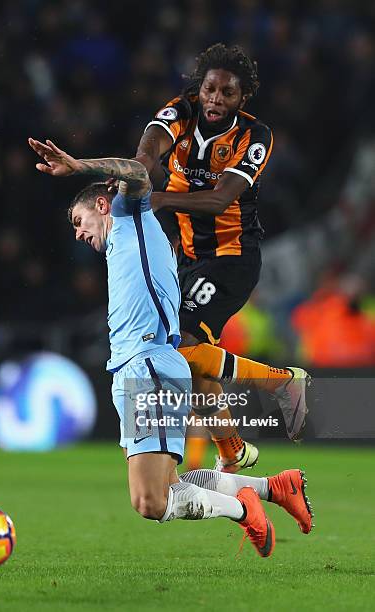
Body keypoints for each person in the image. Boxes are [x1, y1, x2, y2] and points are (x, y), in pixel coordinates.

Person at [27, 137, 314, 557]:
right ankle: (273, 488)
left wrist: (79, 164)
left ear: (102, 205)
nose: (77, 232)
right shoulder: (122, 247)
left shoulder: (130, 216)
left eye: (78, 220)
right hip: (131, 368)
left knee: (151, 501)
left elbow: (139, 174)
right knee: (168, 488)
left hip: (149, 367)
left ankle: (242, 507)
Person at [133, 43, 310, 472]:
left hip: (232, 258)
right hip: (189, 260)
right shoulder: (181, 112)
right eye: (210, 89)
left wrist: (156, 197)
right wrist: (139, 168)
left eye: (227, 93)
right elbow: (150, 149)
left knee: (181, 346)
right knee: (192, 367)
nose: (215, 99)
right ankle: (233, 449)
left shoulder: (255, 137)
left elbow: (219, 200)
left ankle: (285, 382)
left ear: (242, 98)